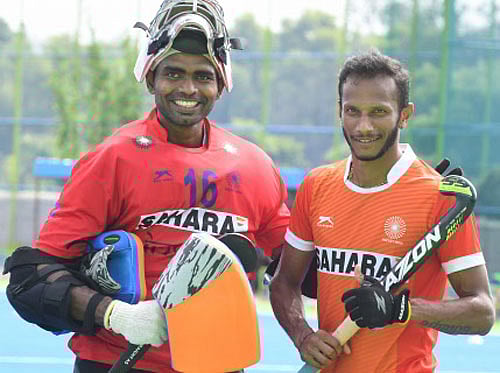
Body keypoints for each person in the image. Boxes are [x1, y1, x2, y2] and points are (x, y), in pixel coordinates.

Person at [3, 1, 290, 372]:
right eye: (173, 73)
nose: (188, 88)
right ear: (151, 76)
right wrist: (115, 315)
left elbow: (296, 267)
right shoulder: (112, 159)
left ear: (221, 84)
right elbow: (32, 277)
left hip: (218, 363)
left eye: (203, 76)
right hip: (116, 361)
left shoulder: (256, 167)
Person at [269, 50, 495, 373]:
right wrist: (302, 336)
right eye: (353, 111)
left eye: (378, 112)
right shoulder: (316, 186)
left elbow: (483, 312)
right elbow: (283, 283)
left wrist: (401, 309)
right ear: (339, 111)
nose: (363, 126)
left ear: (405, 115)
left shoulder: (441, 197)